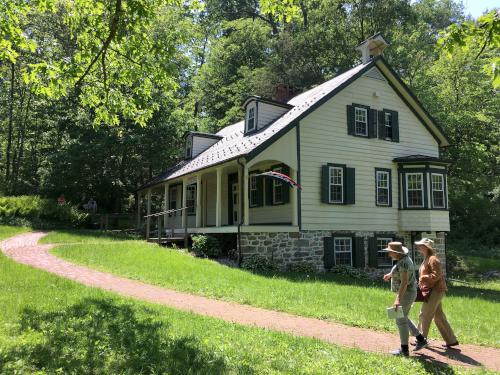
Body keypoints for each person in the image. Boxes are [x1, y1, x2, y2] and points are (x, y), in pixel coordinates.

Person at [382, 242, 427, 356]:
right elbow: (400, 272)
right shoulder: (404, 260)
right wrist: (390, 275)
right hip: (407, 293)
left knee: (400, 320)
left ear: (396, 252)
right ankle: (421, 339)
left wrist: (398, 299)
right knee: (403, 317)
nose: (388, 254)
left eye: (390, 252)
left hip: (406, 294)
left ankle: (404, 350)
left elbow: (404, 282)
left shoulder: (403, 263)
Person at [414, 238, 459, 348]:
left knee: (424, 314)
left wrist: (423, 278)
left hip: (435, 290)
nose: (419, 247)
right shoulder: (427, 258)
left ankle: (421, 340)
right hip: (432, 290)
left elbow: (436, 275)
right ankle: (451, 340)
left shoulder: (433, 259)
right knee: (438, 317)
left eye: (421, 245)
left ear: (427, 247)